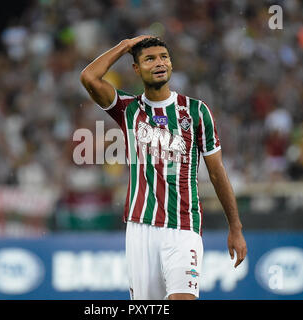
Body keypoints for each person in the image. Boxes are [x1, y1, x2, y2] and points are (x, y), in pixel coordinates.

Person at [80, 36, 247, 300]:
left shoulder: (196, 111)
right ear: (136, 68)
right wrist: (125, 46)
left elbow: (217, 173)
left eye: (164, 57)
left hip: (183, 226)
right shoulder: (128, 109)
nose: (159, 63)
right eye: (149, 59)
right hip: (140, 228)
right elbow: (89, 77)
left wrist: (235, 227)